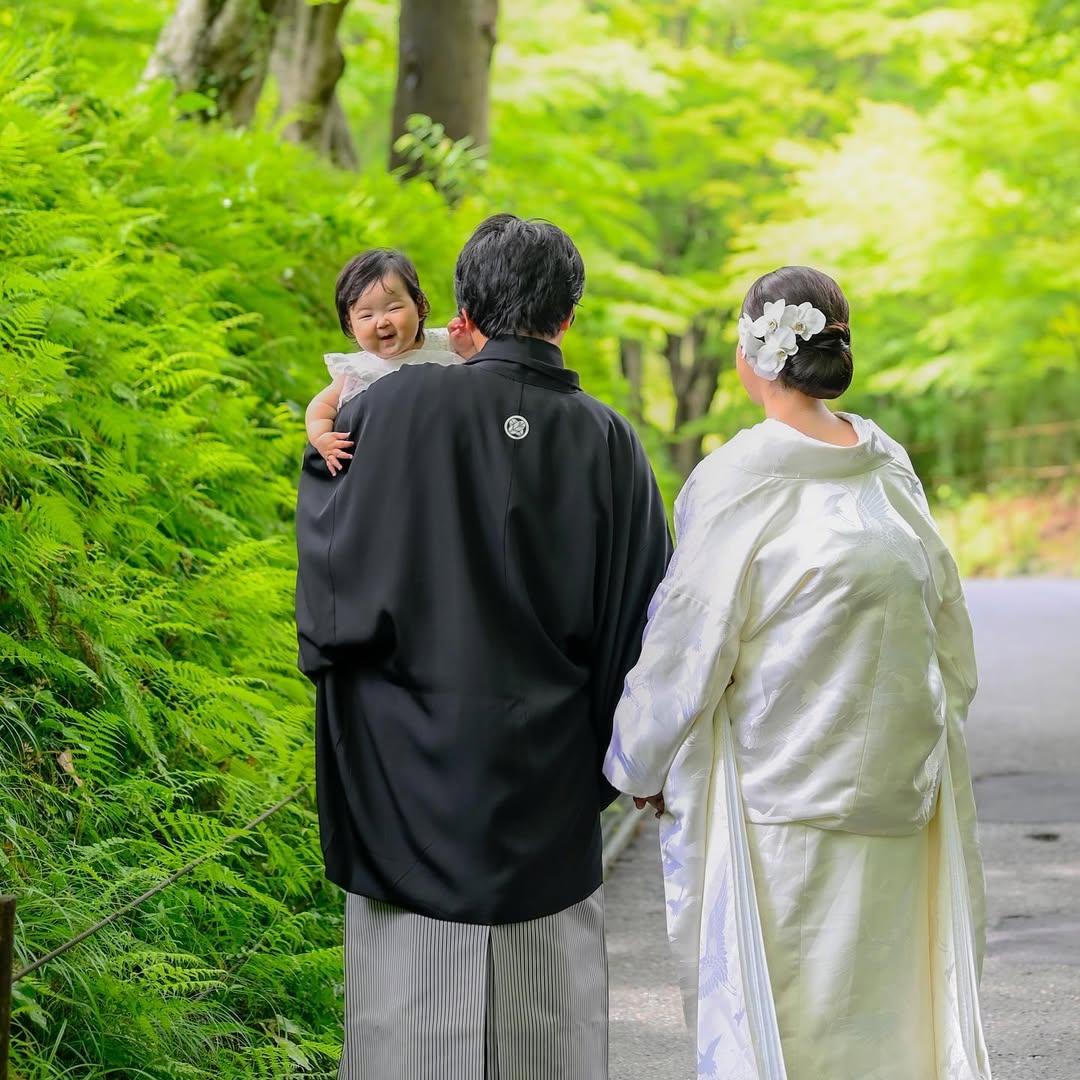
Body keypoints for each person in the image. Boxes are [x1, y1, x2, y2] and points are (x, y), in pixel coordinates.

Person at [294, 214, 672, 1079]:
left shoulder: (386, 410)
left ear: (461, 311)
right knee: (545, 1026)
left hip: (406, 776)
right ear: (566, 316)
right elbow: (643, 628)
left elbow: (331, 601)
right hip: (548, 780)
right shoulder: (609, 442)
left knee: (410, 1023)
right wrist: (625, 762)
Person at [604, 266, 991, 1080]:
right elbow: (948, 630)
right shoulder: (887, 466)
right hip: (897, 791)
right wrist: (925, 731)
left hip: (775, 797)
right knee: (888, 1015)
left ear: (754, 353)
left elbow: (691, 637)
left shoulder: (741, 475)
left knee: (789, 1018)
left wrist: (639, 760)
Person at [305, 247, 475, 475]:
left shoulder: (445, 344)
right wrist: (323, 439)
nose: (382, 322)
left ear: (419, 305)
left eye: (393, 308)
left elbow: (483, 376)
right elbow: (320, 407)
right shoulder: (359, 370)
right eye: (366, 315)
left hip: (448, 456)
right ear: (350, 324)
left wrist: (467, 349)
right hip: (391, 465)